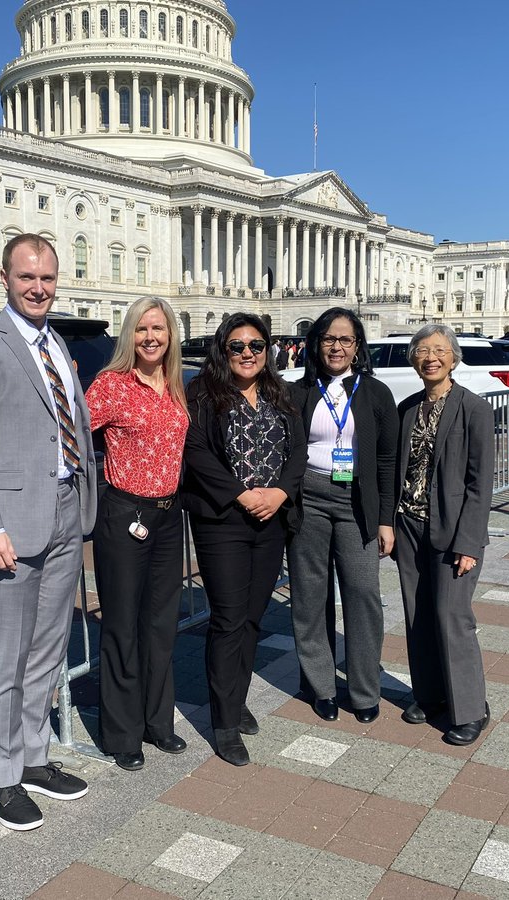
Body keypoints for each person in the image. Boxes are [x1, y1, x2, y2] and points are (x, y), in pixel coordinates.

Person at [0, 233, 97, 831]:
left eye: (48, 278)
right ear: (4, 277)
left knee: (47, 649)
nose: (39, 288)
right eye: (27, 277)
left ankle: (35, 757)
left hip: (64, 510)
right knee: (6, 654)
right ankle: (4, 775)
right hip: (11, 523)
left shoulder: (56, 344)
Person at [183, 313, 307, 766]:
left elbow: (298, 452)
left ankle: (236, 698)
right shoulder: (201, 394)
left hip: (271, 518)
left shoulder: (282, 394)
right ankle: (223, 721)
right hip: (223, 520)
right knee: (229, 618)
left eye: (256, 345)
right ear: (223, 349)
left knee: (254, 617)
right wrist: (239, 494)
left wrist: (279, 492)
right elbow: (195, 451)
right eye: (238, 346)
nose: (248, 354)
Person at [86, 297, 189, 771]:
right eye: (143, 329)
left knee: (160, 624)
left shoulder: (174, 384)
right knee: (123, 625)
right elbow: (69, 433)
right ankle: (122, 733)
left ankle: (157, 721)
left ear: (171, 335)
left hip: (169, 516)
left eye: (160, 329)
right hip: (126, 514)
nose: (152, 337)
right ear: (130, 334)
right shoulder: (111, 385)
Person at [287, 308, 398, 724]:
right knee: (310, 596)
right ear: (316, 344)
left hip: (357, 502)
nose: (336, 347)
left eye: (345, 340)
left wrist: (385, 519)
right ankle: (320, 686)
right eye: (329, 339)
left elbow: (386, 459)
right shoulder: (298, 392)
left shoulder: (375, 393)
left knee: (363, 594)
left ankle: (365, 689)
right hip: (309, 499)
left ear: (357, 347)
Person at [393, 323, 494, 746]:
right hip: (410, 526)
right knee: (419, 616)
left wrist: (469, 542)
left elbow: (480, 482)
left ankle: (471, 709)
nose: (430, 356)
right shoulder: (408, 408)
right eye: (422, 350)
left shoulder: (473, 409)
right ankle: (431, 695)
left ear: (454, 357)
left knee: (453, 618)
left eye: (439, 350)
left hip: (454, 531)